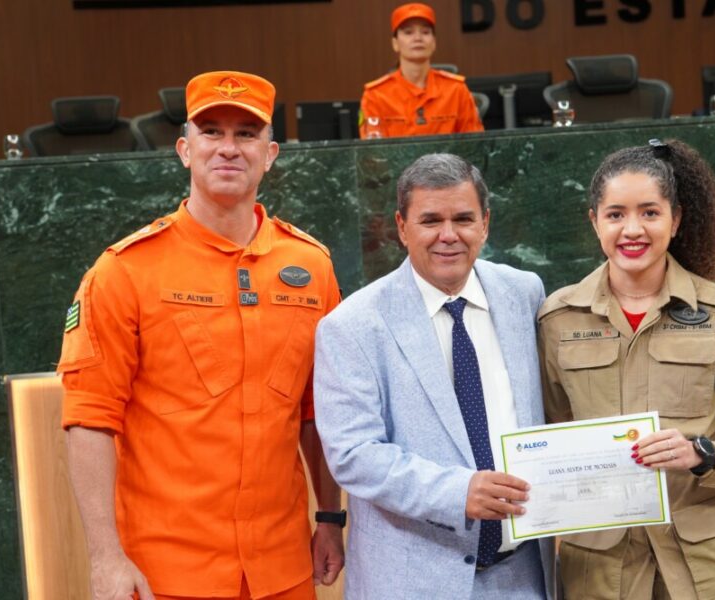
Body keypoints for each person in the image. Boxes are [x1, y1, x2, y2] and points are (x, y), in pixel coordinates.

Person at [58, 70, 344, 600]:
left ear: (271, 152)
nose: (228, 148)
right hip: (167, 572)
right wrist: (105, 558)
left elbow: (318, 412)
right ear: (185, 150)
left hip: (283, 568)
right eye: (212, 132)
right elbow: (88, 420)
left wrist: (329, 516)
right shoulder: (124, 271)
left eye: (246, 133)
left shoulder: (312, 266)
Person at [538, 139, 715, 600]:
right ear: (594, 221)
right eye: (615, 214)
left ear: (675, 220)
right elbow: (547, 437)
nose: (632, 229)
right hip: (600, 573)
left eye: (650, 213)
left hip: (708, 571)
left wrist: (703, 454)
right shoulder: (558, 319)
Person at [313, 153, 554, 598]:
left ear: (485, 223)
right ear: (402, 227)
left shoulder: (525, 293)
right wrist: (457, 491)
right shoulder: (351, 326)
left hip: (523, 576)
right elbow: (353, 454)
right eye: (430, 221)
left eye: (463, 218)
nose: (449, 235)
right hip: (412, 579)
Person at [359, 3, 484, 139]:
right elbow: (373, 155)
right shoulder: (376, 95)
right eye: (408, 32)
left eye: (425, 32)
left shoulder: (456, 90)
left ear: (434, 42)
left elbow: (475, 147)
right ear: (395, 43)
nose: (418, 38)